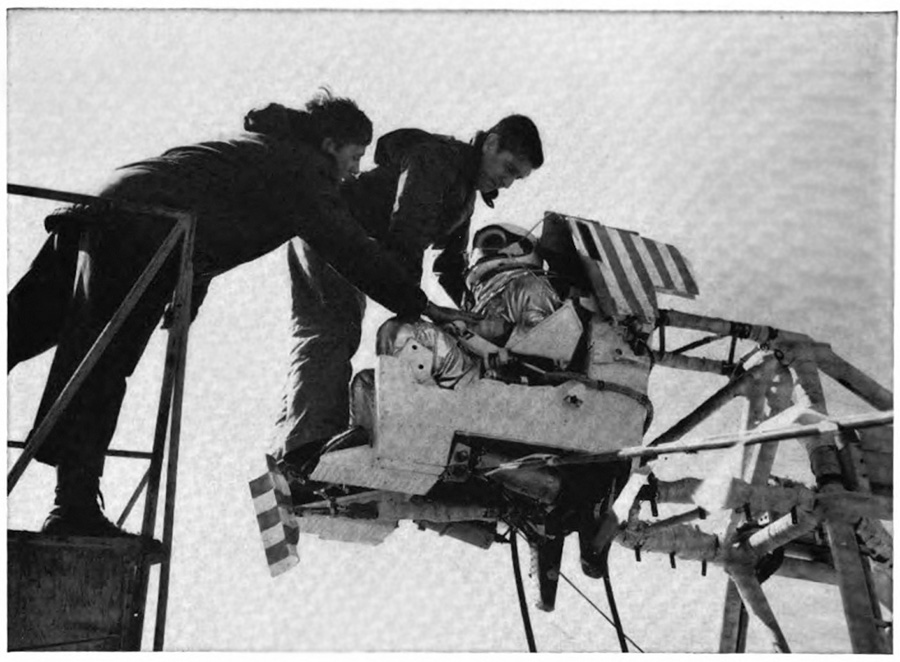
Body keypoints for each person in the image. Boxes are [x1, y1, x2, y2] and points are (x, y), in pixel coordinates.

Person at [8, 91, 474, 536]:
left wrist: (193, 286)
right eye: (353, 157)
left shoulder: (266, 150)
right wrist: (420, 305)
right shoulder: (304, 171)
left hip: (99, 211)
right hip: (145, 230)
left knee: (19, 330)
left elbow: (210, 202)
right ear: (329, 145)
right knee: (104, 365)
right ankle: (73, 506)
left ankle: (72, 502)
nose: (355, 172)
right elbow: (347, 248)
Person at [272, 116, 544, 471]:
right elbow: (409, 232)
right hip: (332, 232)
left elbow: (449, 267)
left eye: (515, 179)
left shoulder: (463, 193)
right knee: (332, 330)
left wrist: (476, 318)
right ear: (491, 143)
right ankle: (307, 450)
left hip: (347, 243)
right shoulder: (438, 159)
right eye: (508, 168)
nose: (506, 183)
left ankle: (295, 442)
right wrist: (412, 308)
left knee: (325, 333)